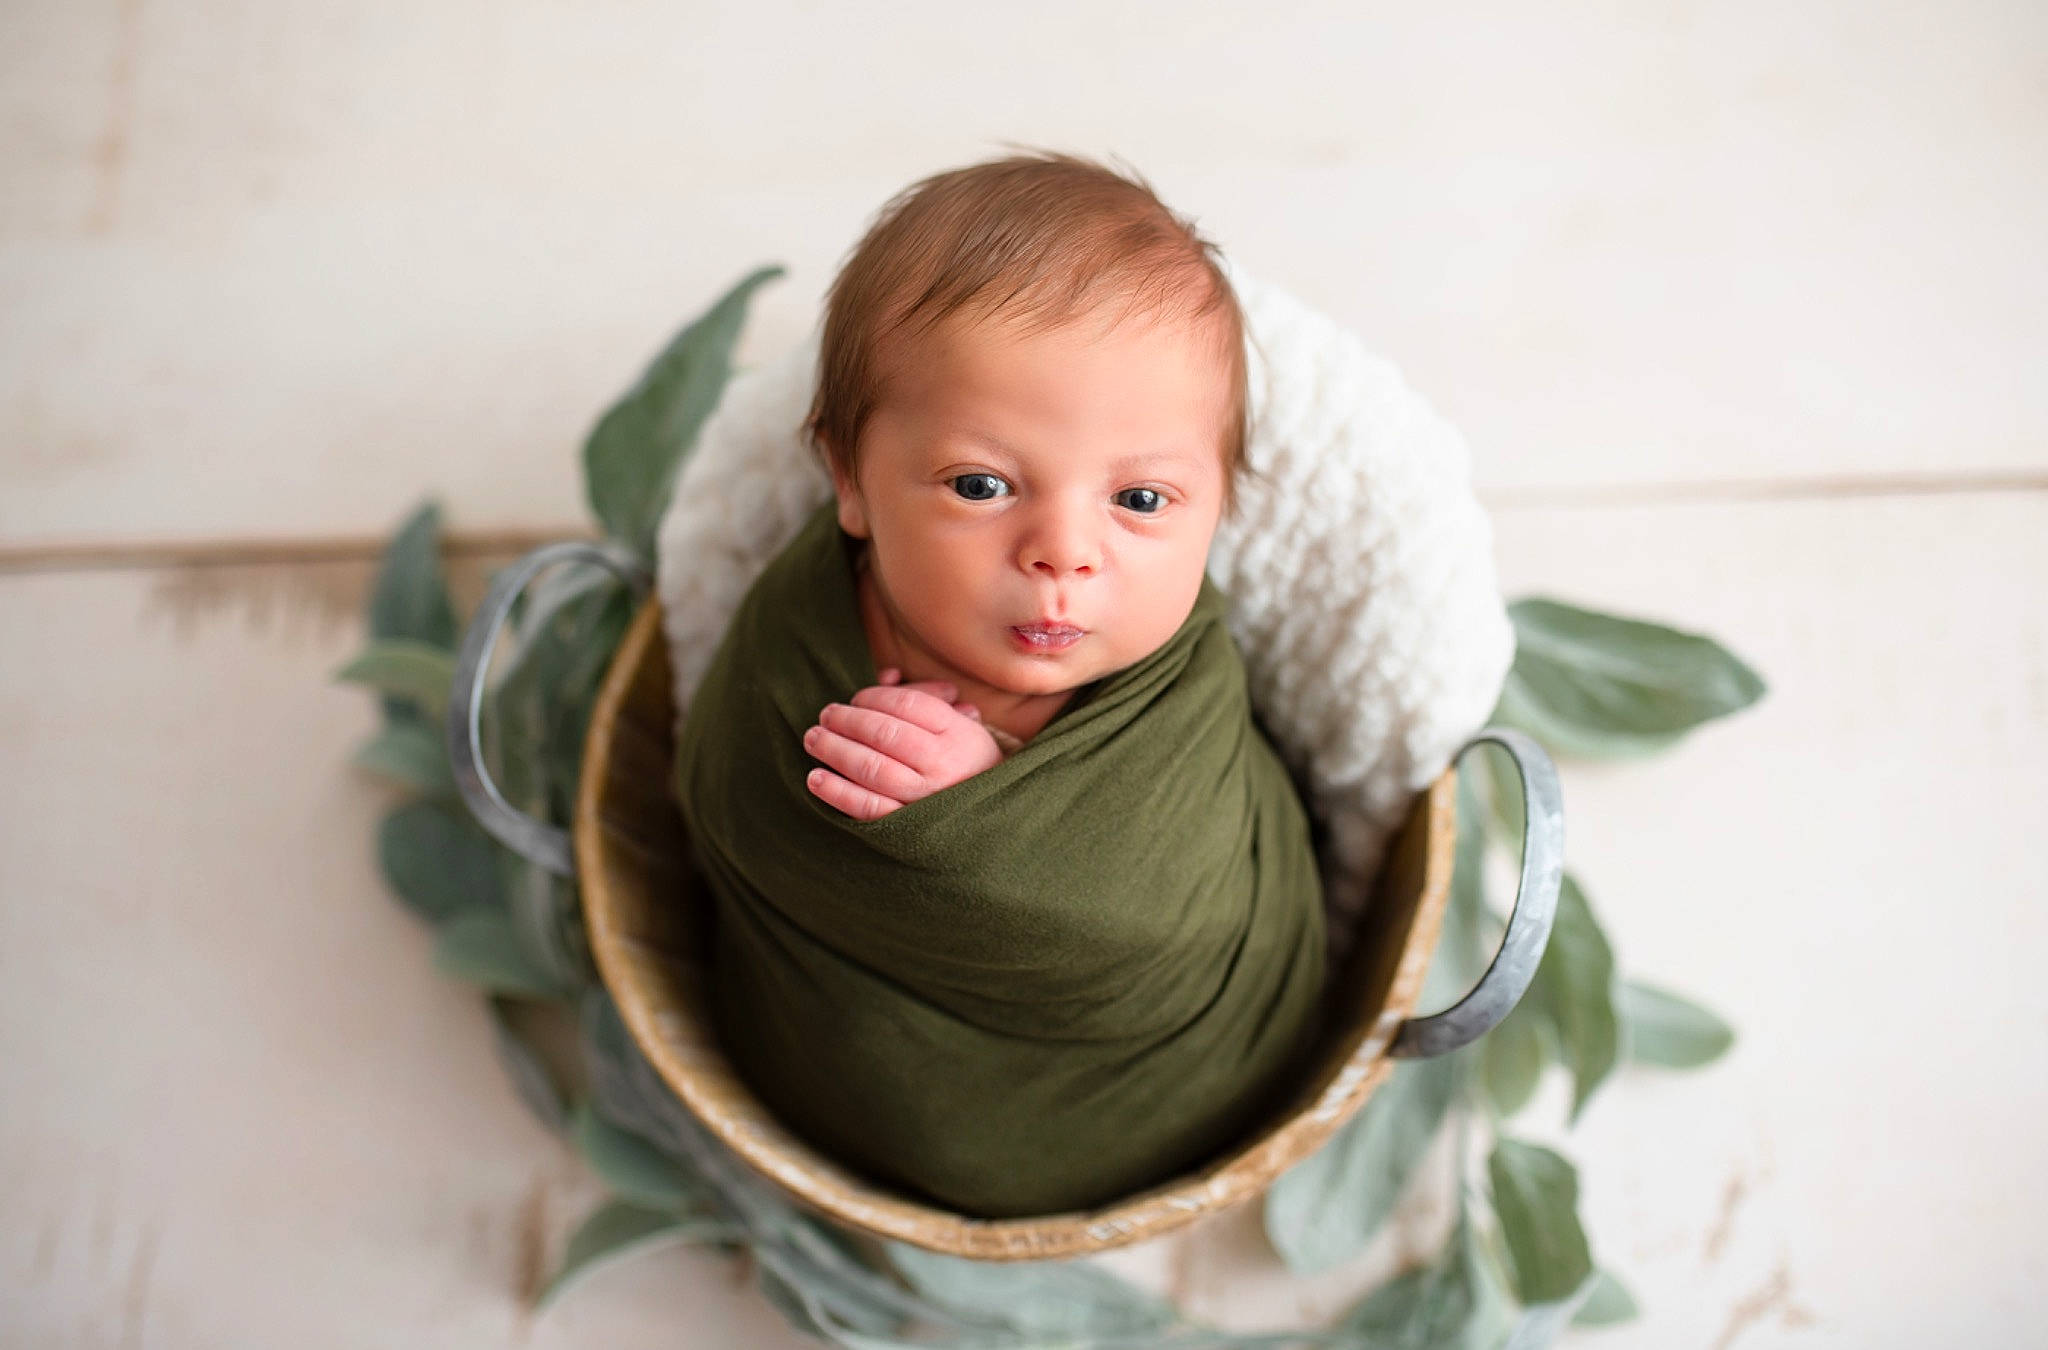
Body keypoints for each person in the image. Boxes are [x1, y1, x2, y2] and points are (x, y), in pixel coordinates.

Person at [673, 151, 1326, 1218]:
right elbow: (730, 793)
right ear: (849, 479)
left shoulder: (1174, 683)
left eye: (1141, 501)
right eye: (981, 485)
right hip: (859, 1078)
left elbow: (1170, 913)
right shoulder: (797, 637)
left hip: (1168, 1071)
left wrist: (985, 803)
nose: (1065, 552)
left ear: (1219, 504)